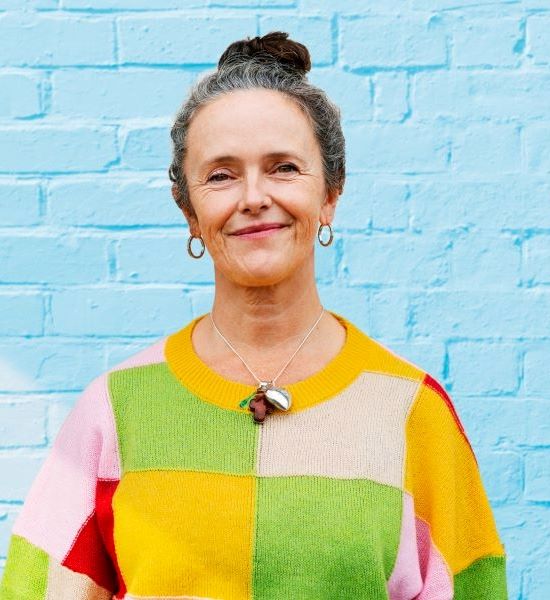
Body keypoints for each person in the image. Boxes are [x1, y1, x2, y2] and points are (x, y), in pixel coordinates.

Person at [0, 31, 508, 600]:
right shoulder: (113, 410)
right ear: (190, 212)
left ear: (331, 194)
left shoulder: (412, 411)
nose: (253, 196)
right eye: (220, 175)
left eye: (283, 167)